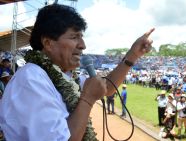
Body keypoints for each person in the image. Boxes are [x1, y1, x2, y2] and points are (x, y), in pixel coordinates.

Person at [0, 4, 154, 141]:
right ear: (48, 43)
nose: (83, 45)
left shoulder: (63, 75)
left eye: (82, 37)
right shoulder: (31, 79)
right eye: (74, 37)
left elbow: (106, 86)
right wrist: (87, 99)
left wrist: (133, 55)